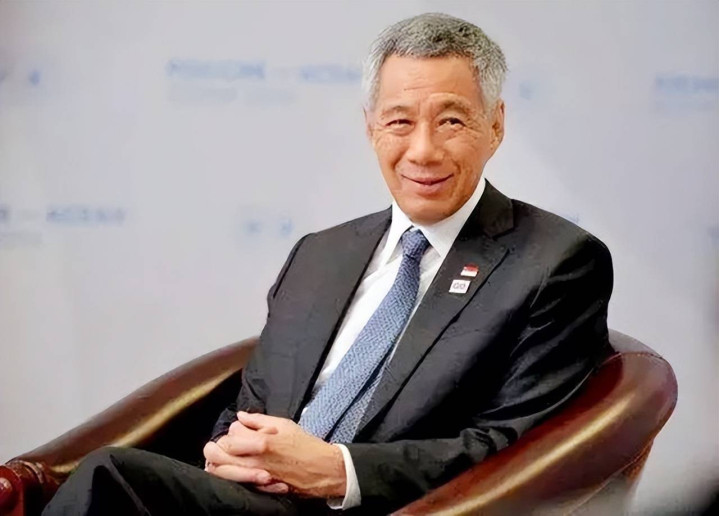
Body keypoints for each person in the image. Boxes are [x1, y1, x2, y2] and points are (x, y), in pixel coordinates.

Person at [43, 12, 613, 516]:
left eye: (451, 121)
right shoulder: (321, 253)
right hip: (253, 498)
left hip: (383, 506)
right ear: (370, 128)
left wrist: (340, 470)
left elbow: (517, 445)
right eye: (399, 122)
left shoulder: (556, 262)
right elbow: (254, 400)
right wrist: (229, 451)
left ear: (496, 125)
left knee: (110, 478)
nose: (422, 151)